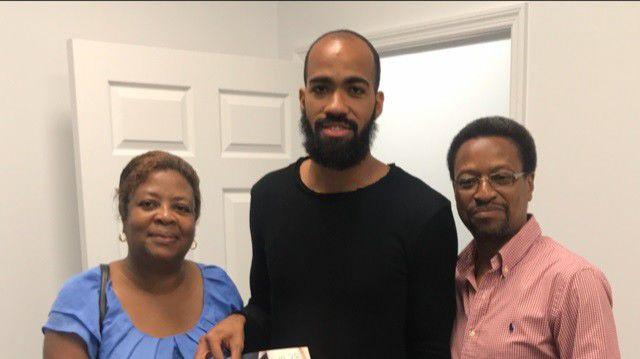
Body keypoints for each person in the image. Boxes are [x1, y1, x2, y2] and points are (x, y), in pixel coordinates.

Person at [196, 29, 458, 359]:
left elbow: (430, 348)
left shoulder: (425, 213)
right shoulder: (269, 197)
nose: (336, 105)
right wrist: (240, 321)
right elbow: (266, 307)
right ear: (304, 99)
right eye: (322, 89)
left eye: (355, 89)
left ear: (376, 104)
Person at [447, 116, 620, 358]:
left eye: (501, 178)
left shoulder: (574, 281)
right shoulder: (452, 278)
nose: (483, 193)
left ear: (529, 183)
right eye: (468, 181)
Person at [42, 150, 242, 358]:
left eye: (181, 207)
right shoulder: (83, 298)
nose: (166, 216)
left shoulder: (220, 289)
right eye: (149, 204)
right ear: (124, 213)